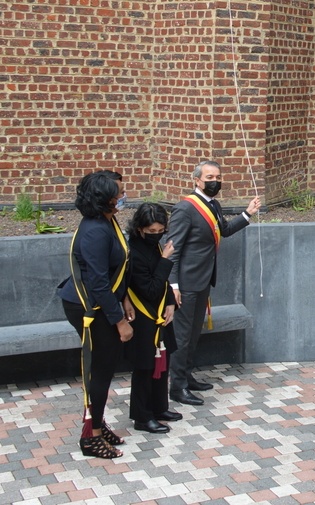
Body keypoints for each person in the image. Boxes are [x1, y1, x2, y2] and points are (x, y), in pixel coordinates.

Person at [165, 160, 262, 405]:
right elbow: (171, 250)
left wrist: (247, 213)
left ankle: (187, 377)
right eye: (209, 177)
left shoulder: (213, 204)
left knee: (193, 334)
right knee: (182, 336)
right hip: (185, 284)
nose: (214, 181)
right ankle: (177, 387)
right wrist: (173, 286)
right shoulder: (185, 208)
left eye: (218, 177)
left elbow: (224, 230)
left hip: (203, 281)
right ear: (196, 180)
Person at [57, 171, 134, 459]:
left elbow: (117, 271)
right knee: (99, 371)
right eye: (119, 193)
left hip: (106, 302)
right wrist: (120, 322)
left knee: (104, 368)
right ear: (105, 198)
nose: (124, 196)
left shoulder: (107, 221)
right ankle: (91, 438)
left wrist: (124, 300)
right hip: (90, 308)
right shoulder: (94, 231)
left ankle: (97, 422)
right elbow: (99, 283)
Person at [125, 203, 181, 433]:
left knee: (163, 362)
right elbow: (149, 288)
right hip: (143, 316)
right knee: (145, 367)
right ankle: (142, 416)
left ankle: (159, 407)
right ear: (139, 229)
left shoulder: (155, 247)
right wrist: (166, 259)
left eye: (160, 231)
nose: (156, 235)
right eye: (151, 232)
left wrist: (170, 302)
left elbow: (163, 284)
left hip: (160, 312)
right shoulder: (134, 252)